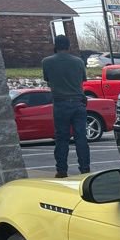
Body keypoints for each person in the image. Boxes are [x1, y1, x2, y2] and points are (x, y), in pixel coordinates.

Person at [41, 35, 90, 178]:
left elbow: (48, 80)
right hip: (78, 103)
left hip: (60, 103)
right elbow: (82, 80)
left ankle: (61, 170)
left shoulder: (47, 62)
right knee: (81, 138)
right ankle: (85, 169)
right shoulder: (78, 62)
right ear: (69, 46)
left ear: (55, 46)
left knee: (61, 138)